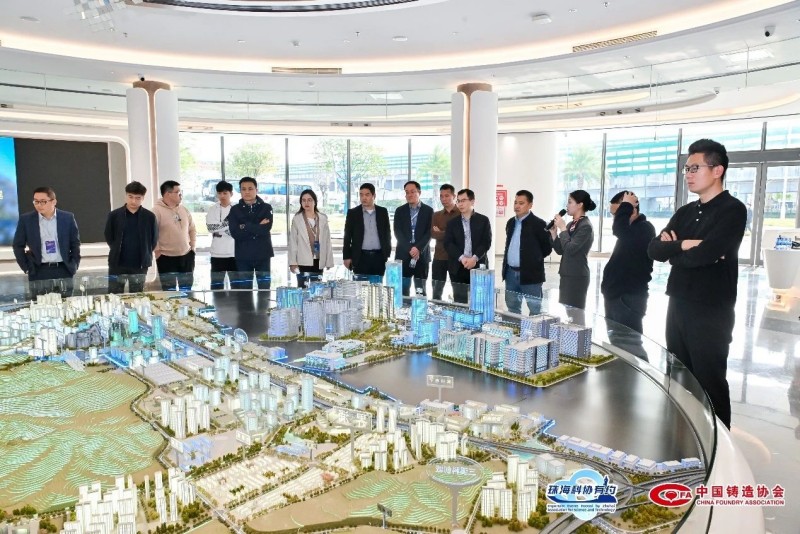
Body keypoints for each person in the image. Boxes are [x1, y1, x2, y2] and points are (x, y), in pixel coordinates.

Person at [648, 138, 746, 429]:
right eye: (686, 169)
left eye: (695, 168)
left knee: (709, 379)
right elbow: (654, 249)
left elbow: (708, 253)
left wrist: (676, 250)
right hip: (678, 302)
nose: (688, 174)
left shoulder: (732, 210)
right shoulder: (685, 212)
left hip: (712, 308)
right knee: (679, 375)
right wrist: (686, 245)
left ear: (717, 170)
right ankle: (685, 436)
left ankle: (720, 443)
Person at [601, 191, 655, 335]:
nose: (616, 219)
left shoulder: (644, 228)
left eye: (618, 214)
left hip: (628, 297)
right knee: (616, 340)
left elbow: (618, 229)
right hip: (616, 295)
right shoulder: (630, 230)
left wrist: (626, 205)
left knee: (628, 342)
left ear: (633, 210)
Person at [13, 187, 81, 296]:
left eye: (43, 201)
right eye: (36, 201)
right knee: (39, 304)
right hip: (38, 270)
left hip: (63, 268)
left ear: (54, 202)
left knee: (65, 303)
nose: (39, 205)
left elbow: (75, 243)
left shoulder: (67, 218)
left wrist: (74, 264)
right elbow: (18, 245)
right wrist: (26, 268)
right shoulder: (26, 220)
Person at [501, 190, 552, 315]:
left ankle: (532, 329)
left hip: (531, 274)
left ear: (530, 205)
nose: (517, 206)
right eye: (515, 203)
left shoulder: (539, 224)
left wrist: (533, 260)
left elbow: (547, 249)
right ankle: (515, 328)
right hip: (510, 274)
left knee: (535, 310)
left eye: (521, 203)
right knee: (512, 308)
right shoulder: (511, 222)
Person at [549, 189, 596, 321]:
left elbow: (571, 249)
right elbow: (561, 250)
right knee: (568, 312)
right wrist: (554, 234)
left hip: (577, 275)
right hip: (566, 274)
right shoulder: (571, 224)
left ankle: (579, 334)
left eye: (570, 202)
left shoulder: (585, 226)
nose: (567, 205)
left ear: (580, 205)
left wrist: (563, 228)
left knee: (576, 314)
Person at [104, 181, 158, 294]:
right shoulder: (114, 215)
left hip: (140, 264)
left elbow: (153, 240)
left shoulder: (149, 217)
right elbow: (109, 236)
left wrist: (145, 252)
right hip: (117, 263)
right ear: (126, 196)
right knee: (114, 294)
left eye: (138, 198)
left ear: (143, 198)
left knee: (137, 295)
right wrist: (116, 248)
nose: (133, 201)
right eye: (130, 197)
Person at [444, 188, 492, 304]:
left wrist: (474, 258)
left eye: (463, 200)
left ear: (472, 201)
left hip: (478, 265)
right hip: (458, 266)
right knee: (460, 301)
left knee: (480, 301)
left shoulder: (483, 220)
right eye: (458, 201)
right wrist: (462, 258)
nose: (460, 204)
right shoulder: (452, 223)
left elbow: (486, 242)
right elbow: (448, 243)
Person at [227, 176, 274, 290]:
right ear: (240, 191)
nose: (247, 192)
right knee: (244, 291)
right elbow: (235, 233)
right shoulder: (235, 210)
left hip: (263, 255)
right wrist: (257, 225)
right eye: (243, 189)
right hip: (243, 256)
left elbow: (265, 229)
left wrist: (244, 226)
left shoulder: (266, 208)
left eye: (250, 188)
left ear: (256, 190)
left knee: (264, 289)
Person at [342, 183, 392, 283]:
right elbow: (347, 237)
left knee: (377, 287)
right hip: (360, 257)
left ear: (374, 196)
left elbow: (387, 234)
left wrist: (386, 253)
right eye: (361, 195)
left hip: (379, 257)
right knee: (360, 288)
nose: (363, 198)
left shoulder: (382, 212)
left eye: (367, 194)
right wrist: (346, 257)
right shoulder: (353, 213)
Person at [153, 180, 196, 291]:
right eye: (178, 192)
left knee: (187, 289)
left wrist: (193, 247)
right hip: (166, 257)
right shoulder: (156, 211)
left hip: (186, 255)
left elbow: (192, 229)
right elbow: (152, 233)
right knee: (169, 290)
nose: (181, 195)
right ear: (168, 194)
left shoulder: (184, 209)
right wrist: (157, 251)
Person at [394, 180, 434, 296]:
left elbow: (429, 232)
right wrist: (410, 249)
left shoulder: (428, 211)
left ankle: (420, 308)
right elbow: (397, 232)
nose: (409, 195)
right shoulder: (400, 211)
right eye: (407, 192)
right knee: (402, 290)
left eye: (412, 192)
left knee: (420, 290)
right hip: (403, 255)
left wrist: (418, 248)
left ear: (419, 192)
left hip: (421, 256)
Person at [288, 189, 334, 288]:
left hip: (318, 260)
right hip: (302, 260)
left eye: (309, 200)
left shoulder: (323, 218)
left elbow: (327, 241)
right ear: (301, 203)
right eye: (303, 200)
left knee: (317, 289)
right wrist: (292, 262)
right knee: (302, 288)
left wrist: (329, 261)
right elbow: (293, 242)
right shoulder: (297, 219)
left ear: (315, 202)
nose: (306, 203)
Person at [205, 181, 236, 290]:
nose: (222, 196)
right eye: (219, 193)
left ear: (231, 194)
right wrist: (229, 224)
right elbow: (210, 228)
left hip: (234, 253)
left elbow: (238, 230)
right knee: (216, 286)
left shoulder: (237, 209)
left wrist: (219, 229)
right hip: (217, 254)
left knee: (237, 286)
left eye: (225, 193)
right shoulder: (212, 209)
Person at [431, 184, 460, 300]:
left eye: (447, 196)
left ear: (454, 196)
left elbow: (460, 236)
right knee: (436, 291)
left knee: (459, 291)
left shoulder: (461, 213)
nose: (443, 199)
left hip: (457, 257)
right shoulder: (436, 215)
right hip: (439, 257)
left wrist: (442, 232)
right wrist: (450, 233)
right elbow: (433, 234)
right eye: (441, 196)